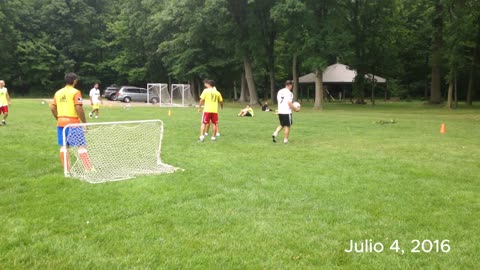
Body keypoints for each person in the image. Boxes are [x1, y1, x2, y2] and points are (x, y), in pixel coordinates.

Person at [50, 73, 92, 171]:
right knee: (81, 145)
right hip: (73, 123)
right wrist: (84, 122)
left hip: (61, 123)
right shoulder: (75, 92)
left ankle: (67, 169)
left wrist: (58, 118)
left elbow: (52, 107)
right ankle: (88, 168)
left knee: (64, 146)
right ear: (74, 81)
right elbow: (78, 107)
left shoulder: (58, 92)